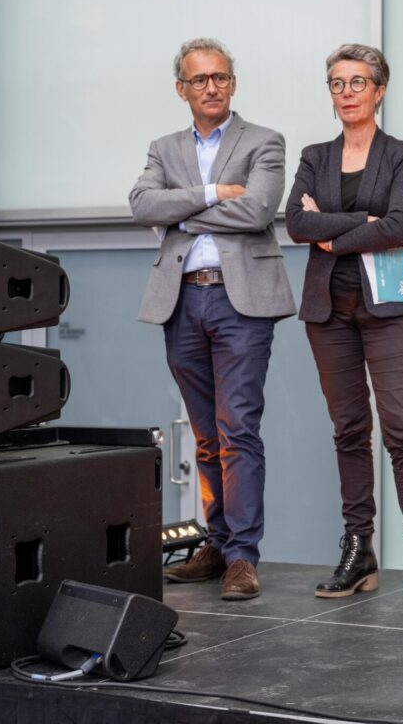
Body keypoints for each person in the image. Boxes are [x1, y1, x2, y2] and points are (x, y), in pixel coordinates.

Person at [285, 44, 403, 606]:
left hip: (388, 309)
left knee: (402, 429)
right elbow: (295, 222)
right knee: (348, 430)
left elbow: (399, 224)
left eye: (357, 83)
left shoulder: (402, 154)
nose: (346, 94)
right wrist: (360, 220)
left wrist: (333, 233)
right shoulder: (316, 155)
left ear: (379, 89)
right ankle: (358, 548)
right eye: (337, 84)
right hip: (328, 312)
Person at [130, 38, 295, 601]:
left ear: (233, 83)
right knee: (205, 438)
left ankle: (243, 558)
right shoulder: (164, 146)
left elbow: (256, 210)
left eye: (220, 77)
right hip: (182, 301)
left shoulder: (264, 141)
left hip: (240, 301)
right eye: (199, 80)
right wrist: (209, 192)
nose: (211, 87)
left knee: (237, 431)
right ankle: (217, 544)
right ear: (182, 89)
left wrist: (186, 213)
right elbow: (143, 205)